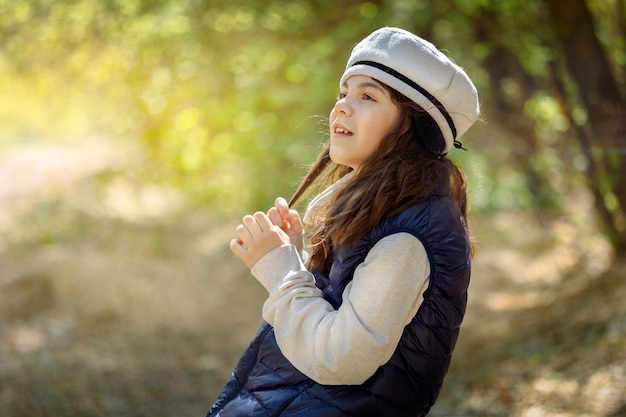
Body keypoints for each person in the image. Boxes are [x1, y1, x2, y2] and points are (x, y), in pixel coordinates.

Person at [206, 27, 480, 417]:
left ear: (413, 126)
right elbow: (333, 318)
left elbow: (340, 358)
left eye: (368, 96)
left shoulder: (407, 237)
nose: (342, 107)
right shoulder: (383, 210)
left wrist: (280, 269)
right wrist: (298, 259)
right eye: (343, 93)